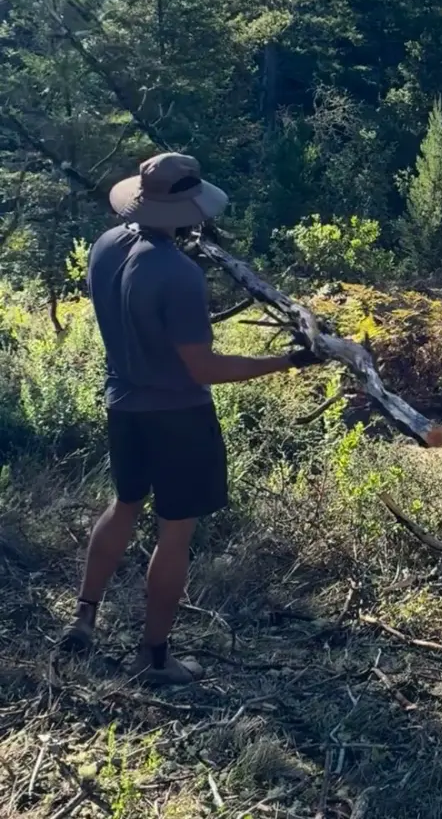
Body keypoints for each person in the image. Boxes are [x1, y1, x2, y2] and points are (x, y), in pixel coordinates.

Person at [59, 152, 316, 684]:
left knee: (124, 504)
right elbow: (202, 366)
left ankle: (84, 615)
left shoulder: (108, 247)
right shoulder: (177, 274)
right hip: (178, 414)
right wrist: (288, 360)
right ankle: (154, 658)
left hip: (123, 404)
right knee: (174, 533)